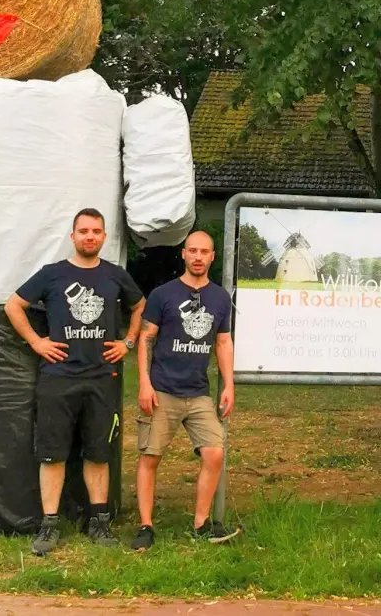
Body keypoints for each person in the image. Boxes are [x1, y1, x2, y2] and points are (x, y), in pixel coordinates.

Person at [6, 208, 145, 556]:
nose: (89, 236)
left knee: (99, 453)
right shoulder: (53, 275)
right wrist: (37, 342)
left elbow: (141, 305)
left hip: (102, 379)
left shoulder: (115, 276)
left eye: (96, 231)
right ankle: (49, 526)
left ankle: (99, 522)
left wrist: (128, 342)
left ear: (103, 237)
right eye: (83, 231)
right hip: (58, 379)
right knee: (52, 455)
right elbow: (14, 305)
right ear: (73, 236)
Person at [131, 229, 239, 549]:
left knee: (214, 452)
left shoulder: (220, 298)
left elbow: (222, 342)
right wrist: (144, 384)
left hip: (198, 392)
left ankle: (202, 524)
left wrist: (229, 384)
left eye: (204, 252)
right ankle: (145, 526)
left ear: (212, 257)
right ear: (183, 254)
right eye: (192, 251)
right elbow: (145, 339)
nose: (197, 257)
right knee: (150, 456)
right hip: (163, 389)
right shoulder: (163, 294)